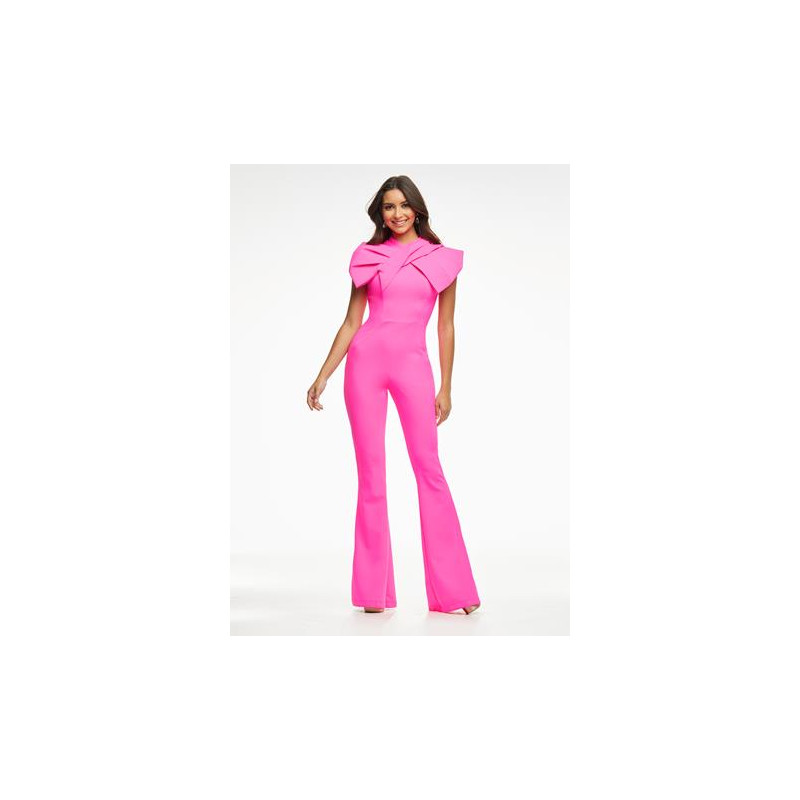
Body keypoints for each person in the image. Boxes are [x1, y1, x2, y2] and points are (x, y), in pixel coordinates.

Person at [306, 176, 481, 615]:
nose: (397, 214)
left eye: (404, 205)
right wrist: (324, 374)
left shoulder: (441, 259)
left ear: (417, 209)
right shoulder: (368, 257)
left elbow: (446, 326)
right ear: (380, 214)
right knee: (371, 476)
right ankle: (372, 593)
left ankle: (455, 592)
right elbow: (352, 322)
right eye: (389, 207)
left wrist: (446, 386)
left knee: (429, 469)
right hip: (364, 365)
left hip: (413, 368)